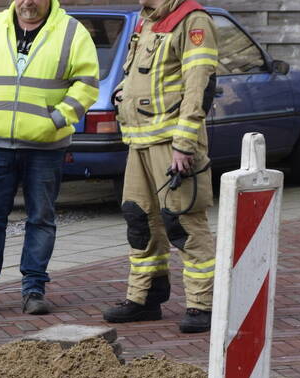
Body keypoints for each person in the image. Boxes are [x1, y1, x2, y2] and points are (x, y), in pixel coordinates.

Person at [0, 0, 99, 317]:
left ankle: (34, 291)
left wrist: (58, 120)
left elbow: (87, 83)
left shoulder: (71, 32)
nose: (28, 2)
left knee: (41, 220)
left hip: (46, 146)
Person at [102, 0, 219, 333]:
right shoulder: (147, 20)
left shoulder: (193, 21)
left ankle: (201, 305)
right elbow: (135, 72)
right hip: (138, 140)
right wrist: (121, 94)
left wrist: (184, 144)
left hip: (173, 145)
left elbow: (198, 88)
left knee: (183, 223)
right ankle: (145, 298)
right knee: (139, 219)